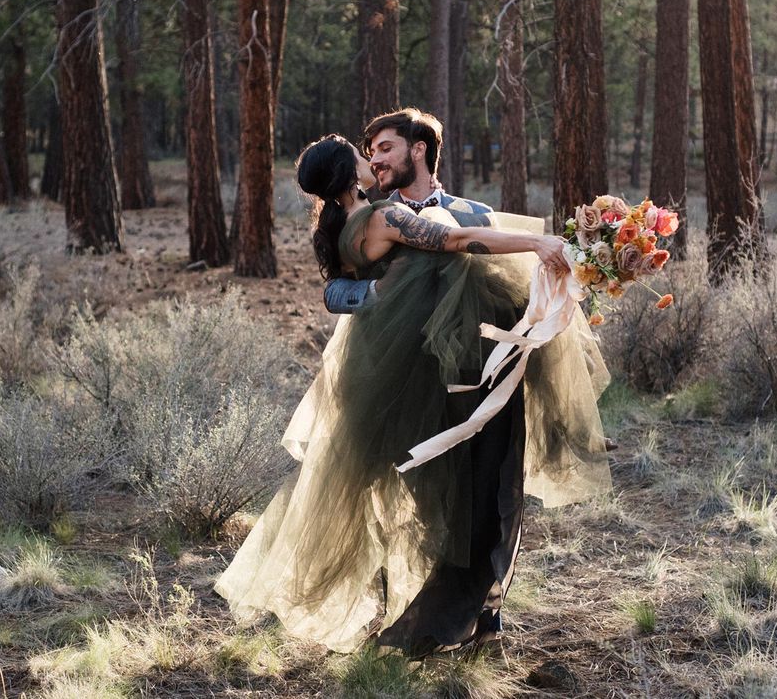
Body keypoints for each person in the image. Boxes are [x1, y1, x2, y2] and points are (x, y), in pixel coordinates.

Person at [215, 134, 611, 657]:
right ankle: (436, 622)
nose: (369, 157)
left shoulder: (344, 225)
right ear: (348, 171)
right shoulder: (382, 218)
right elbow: (449, 242)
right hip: (427, 368)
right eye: (360, 153)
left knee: (432, 495)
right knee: (461, 490)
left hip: (400, 368)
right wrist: (536, 243)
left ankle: (450, 614)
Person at [325, 108, 492, 314]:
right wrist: (380, 290)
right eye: (371, 153)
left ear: (418, 150)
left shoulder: (479, 214)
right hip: (388, 340)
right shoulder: (375, 221)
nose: (373, 161)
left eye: (385, 149)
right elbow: (333, 293)